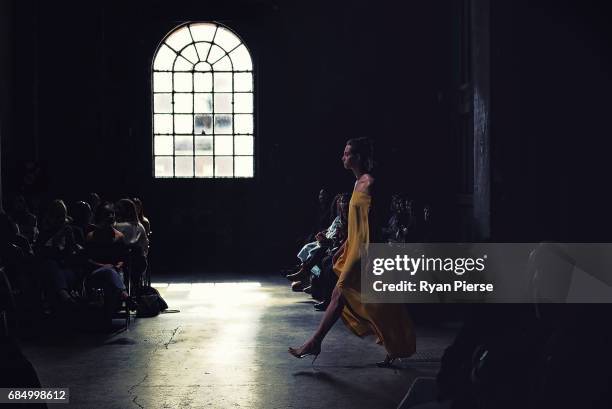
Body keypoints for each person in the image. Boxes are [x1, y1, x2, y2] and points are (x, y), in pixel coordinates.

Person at [288, 137, 416, 366]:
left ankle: (315, 342)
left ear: (357, 157)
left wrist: (368, 255)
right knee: (344, 297)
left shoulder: (370, 183)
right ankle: (319, 342)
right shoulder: (357, 183)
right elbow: (354, 224)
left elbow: (372, 225)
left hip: (365, 253)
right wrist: (344, 246)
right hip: (354, 249)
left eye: (347, 154)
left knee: (348, 295)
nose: (343, 157)